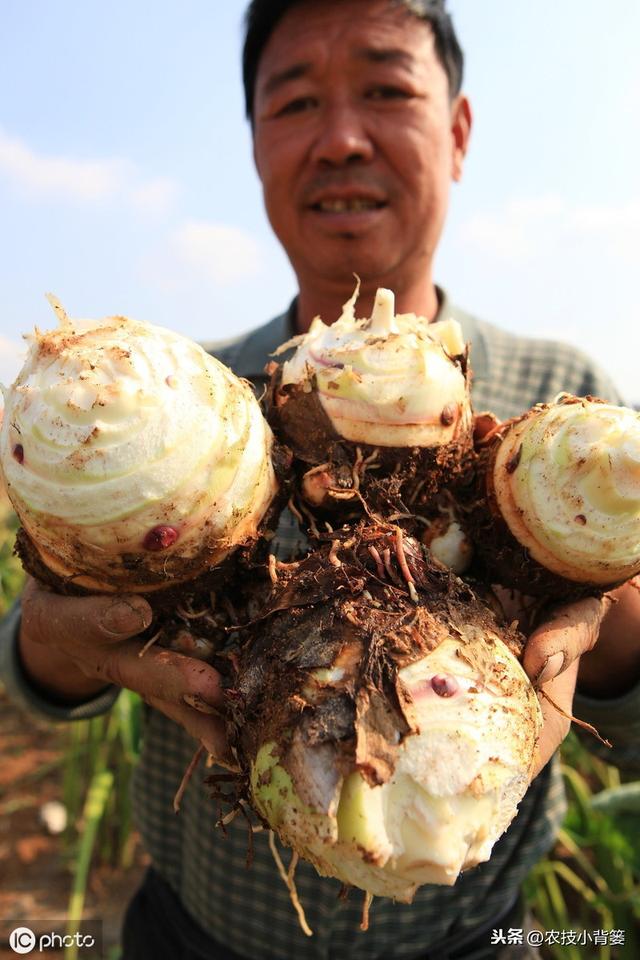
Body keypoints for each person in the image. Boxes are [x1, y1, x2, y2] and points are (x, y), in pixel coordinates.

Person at [1, 1, 639, 958]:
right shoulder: (193, 402)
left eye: (386, 90)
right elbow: (34, 670)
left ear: (458, 132)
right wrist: (63, 637)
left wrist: (598, 604)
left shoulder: (567, 403)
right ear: (255, 145)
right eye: (297, 103)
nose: (342, 139)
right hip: (196, 933)